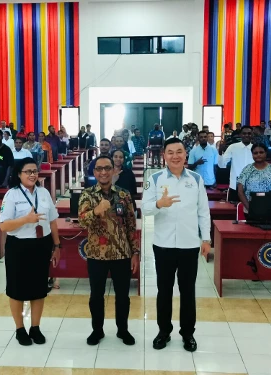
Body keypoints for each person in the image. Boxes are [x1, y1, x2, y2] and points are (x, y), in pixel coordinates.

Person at [142, 137, 211, 352]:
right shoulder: (154, 179)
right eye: (170, 152)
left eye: (179, 152)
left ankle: (188, 333)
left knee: (188, 291)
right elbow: (144, 209)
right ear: (164, 156)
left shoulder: (196, 180)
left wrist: (206, 238)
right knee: (164, 291)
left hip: (189, 245)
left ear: (185, 155)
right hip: (163, 245)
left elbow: (203, 212)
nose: (175, 156)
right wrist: (158, 204)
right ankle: (164, 331)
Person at [78, 155, 139, 346]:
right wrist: (96, 211)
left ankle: (123, 330)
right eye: (99, 169)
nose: (103, 172)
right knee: (96, 295)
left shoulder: (124, 195)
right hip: (97, 253)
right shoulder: (87, 195)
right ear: (94, 172)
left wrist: (135, 252)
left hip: (122, 254)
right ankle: (97, 330)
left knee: (123, 296)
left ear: (114, 170)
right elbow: (81, 220)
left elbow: (131, 225)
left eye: (107, 168)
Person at [0, 157, 61, 346]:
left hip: (41, 245)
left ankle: (35, 327)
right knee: (17, 289)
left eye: (35, 171)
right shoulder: (12, 195)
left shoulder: (44, 193)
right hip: (18, 246)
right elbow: (3, 226)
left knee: (39, 289)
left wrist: (57, 246)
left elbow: (52, 221)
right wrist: (26, 219)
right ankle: (20, 329)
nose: (33, 175)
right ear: (19, 174)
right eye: (28, 171)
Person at [237, 143, 271, 213]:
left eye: (261, 152)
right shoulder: (247, 169)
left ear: (266, 153)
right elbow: (240, 191)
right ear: (252, 155)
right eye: (255, 153)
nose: (258, 155)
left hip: (270, 211)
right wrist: (250, 209)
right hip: (250, 210)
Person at [218, 126, 254, 192]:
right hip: (235, 186)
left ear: (252, 135)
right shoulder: (233, 147)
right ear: (240, 135)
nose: (246, 135)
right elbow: (222, 165)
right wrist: (220, 153)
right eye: (244, 133)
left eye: (249, 133)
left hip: (252, 185)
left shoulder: (255, 148)